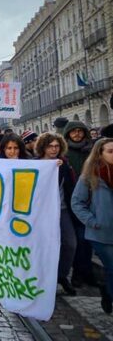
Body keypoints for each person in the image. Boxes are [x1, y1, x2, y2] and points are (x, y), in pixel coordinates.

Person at [72, 137, 113, 314]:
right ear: (100, 154)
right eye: (110, 152)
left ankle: (108, 293)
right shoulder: (90, 176)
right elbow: (77, 202)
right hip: (101, 233)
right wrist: (92, 221)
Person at [35, 133, 77, 296]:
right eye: (50, 146)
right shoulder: (35, 164)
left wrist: (61, 168)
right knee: (42, 245)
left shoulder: (64, 165)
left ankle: (61, 275)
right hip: (40, 213)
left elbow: (70, 187)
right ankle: (43, 278)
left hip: (62, 209)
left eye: (56, 146)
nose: (54, 149)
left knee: (70, 243)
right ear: (43, 147)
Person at [64, 121, 97, 287]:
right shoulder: (64, 153)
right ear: (68, 133)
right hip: (71, 200)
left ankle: (87, 272)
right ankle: (77, 273)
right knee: (77, 240)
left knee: (88, 239)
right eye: (73, 131)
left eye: (80, 131)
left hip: (92, 199)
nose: (77, 134)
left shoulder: (92, 151)